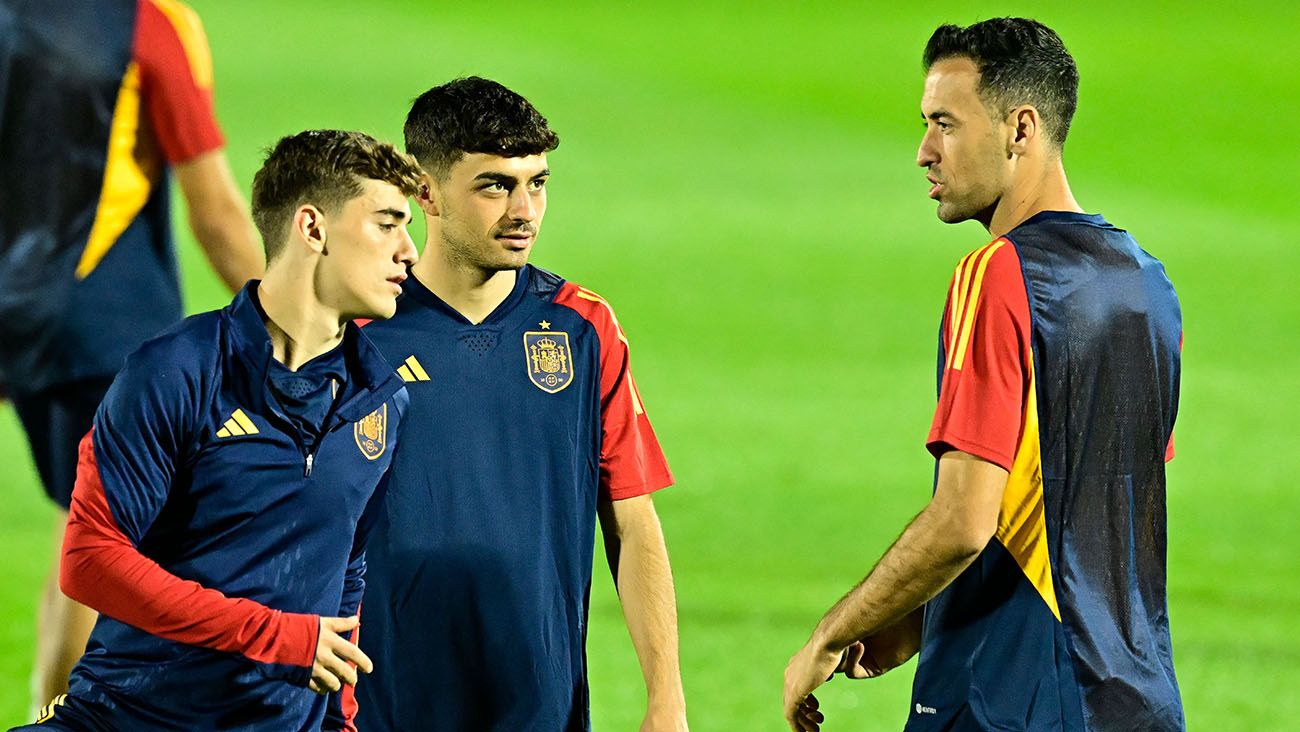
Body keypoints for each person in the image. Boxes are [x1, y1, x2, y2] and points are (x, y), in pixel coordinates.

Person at [783, 18, 1183, 732]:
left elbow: (965, 520)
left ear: (1020, 128)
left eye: (945, 124)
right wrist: (916, 617)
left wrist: (833, 632)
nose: (923, 152)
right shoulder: (1148, 283)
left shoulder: (998, 272)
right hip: (1135, 696)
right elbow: (1077, 507)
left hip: (1011, 697)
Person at [9, 129, 423, 731]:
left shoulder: (381, 400)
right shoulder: (176, 369)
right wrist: (275, 636)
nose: (409, 249)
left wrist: (339, 719)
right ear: (313, 229)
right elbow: (90, 558)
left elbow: (346, 570)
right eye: (387, 224)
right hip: (131, 717)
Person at [353, 77, 688, 731]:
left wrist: (665, 698)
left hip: (539, 705)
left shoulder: (582, 327)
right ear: (425, 191)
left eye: (537, 182)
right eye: (494, 185)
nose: (524, 210)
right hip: (385, 706)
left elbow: (632, 520)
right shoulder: (357, 334)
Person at [0, 0, 264, 710]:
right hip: (97, 318)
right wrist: (296, 326)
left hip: (16, 305)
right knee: (112, 540)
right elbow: (213, 210)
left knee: (81, 521)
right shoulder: (149, 23)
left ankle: (46, 709)